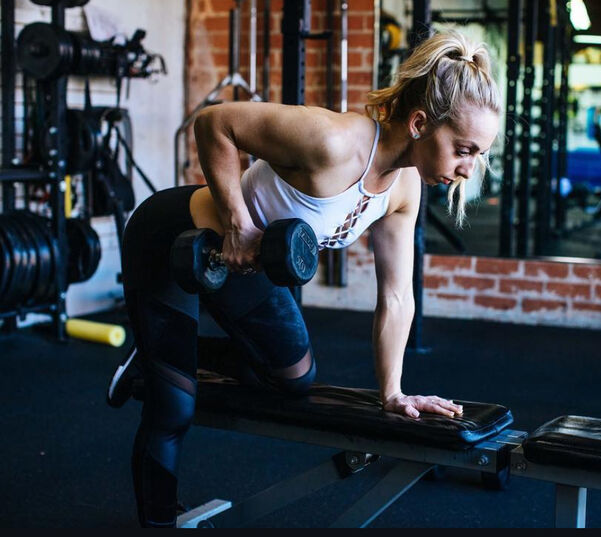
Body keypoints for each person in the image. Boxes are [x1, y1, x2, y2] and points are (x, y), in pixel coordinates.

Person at [107, 31, 502, 527]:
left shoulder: (403, 190)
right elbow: (214, 123)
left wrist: (394, 392)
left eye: (478, 155)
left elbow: (398, 296)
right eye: (464, 149)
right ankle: (159, 518)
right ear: (421, 122)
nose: (468, 169)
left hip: (238, 266)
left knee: (294, 377)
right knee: (174, 406)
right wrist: (238, 223)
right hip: (172, 238)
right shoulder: (333, 141)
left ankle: (158, 355)